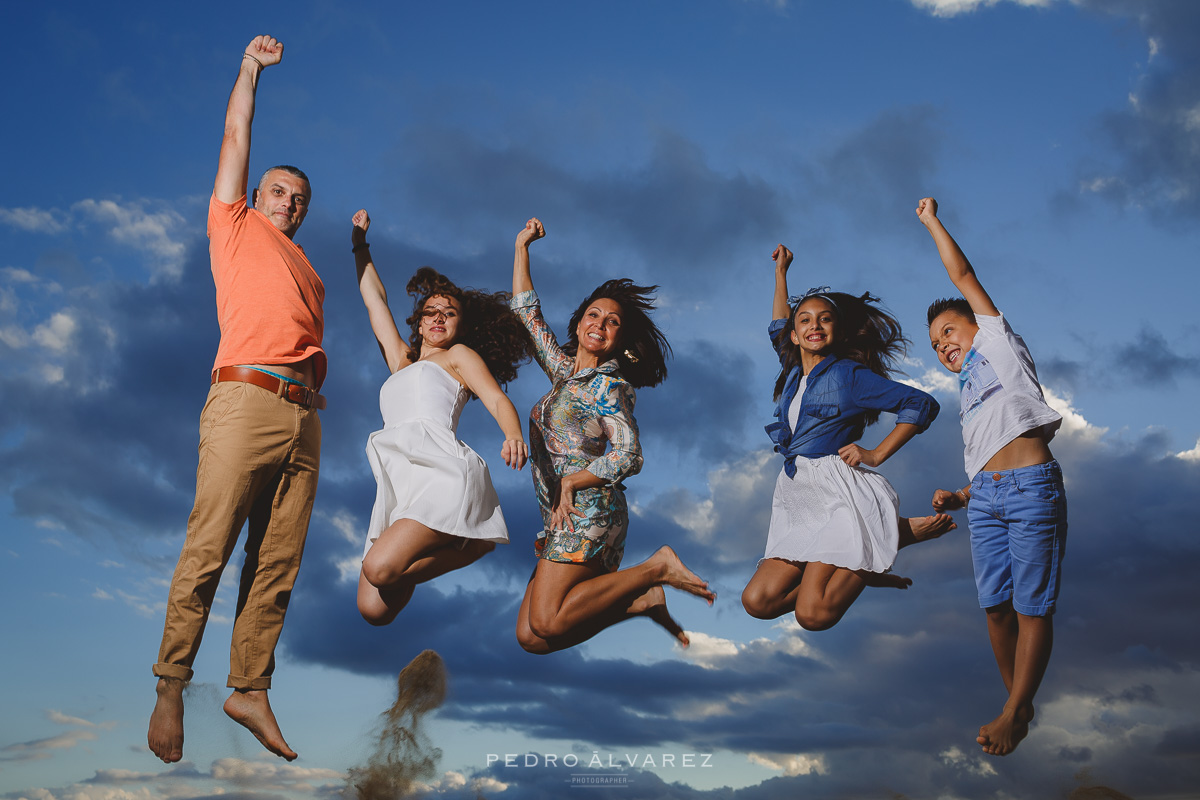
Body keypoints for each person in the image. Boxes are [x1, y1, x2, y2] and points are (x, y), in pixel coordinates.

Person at [147, 35, 323, 764]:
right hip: (244, 400)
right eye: (278, 190)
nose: (289, 201)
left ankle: (249, 687)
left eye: (300, 198)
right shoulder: (234, 225)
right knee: (211, 545)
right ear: (255, 196)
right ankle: (170, 684)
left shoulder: (310, 268)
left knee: (277, 564)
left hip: (305, 417)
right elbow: (235, 135)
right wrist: (250, 69)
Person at [510, 218, 715, 654]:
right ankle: (639, 601)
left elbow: (630, 454)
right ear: (580, 323)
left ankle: (654, 569)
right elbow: (527, 314)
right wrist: (522, 246)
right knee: (533, 637)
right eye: (593, 314)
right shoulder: (566, 373)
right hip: (560, 516)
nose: (600, 322)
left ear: (620, 339)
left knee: (547, 619)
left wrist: (574, 480)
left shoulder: (610, 386)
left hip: (590, 508)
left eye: (613, 321)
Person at [740, 244, 955, 633]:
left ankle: (890, 536)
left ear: (836, 332)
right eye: (804, 321)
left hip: (837, 493)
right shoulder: (793, 372)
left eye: (824, 320)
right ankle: (868, 559)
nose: (814, 326)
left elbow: (920, 404)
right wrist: (781, 273)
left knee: (813, 615)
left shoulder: (850, 376)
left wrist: (875, 454)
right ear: (796, 333)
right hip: (796, 493)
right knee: (758, 602)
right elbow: (777, 326)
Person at [918, 196, 1066, 756]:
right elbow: (986, 455)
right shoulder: (968, 396)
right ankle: (1019, 704)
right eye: (936, 345)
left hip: (1032, 490)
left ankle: (1011, 711)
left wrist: (932, 221)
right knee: (995, 609)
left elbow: (962, 273)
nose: (944, 345)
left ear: (976, 326)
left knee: (1031, 607)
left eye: (950, 331)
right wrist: (962, 494)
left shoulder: (999, 344)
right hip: (986, 499)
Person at [350, 209, 530, 625]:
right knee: (373, 609)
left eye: (448, 313)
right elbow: (374, 299)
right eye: (430, 311)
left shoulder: (458, 358)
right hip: (400, 479)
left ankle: (474, 543)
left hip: (442, 474)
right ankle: (452, 542)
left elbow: (497, 399)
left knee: (379, 569)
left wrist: (512, 433)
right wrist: (359, 244)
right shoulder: (401, 360)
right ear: (418, 320)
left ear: (459, 326)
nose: (438, 318)